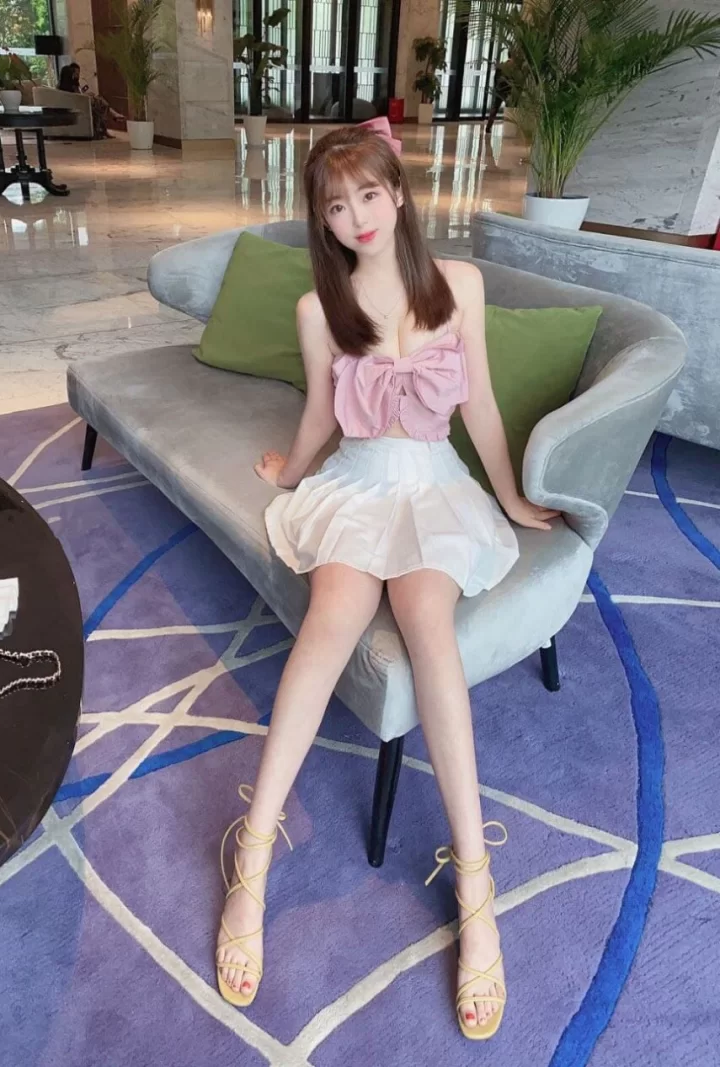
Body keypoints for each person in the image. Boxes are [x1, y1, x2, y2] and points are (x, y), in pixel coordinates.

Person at [214, 123, 560, 1041]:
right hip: (359, 485)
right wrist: (290, 471)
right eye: (336, 205)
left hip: (435, 488)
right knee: (332, 613)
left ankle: (477, 888)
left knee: (426, 622)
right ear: (321, 219)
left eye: (369, 194)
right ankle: (253, 854)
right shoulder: (318, 310)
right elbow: (320, 415)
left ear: (399, 193)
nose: (356, 216)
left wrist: (511, 496)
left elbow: (479, 406)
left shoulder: (461, 286)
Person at [57, 63, 124, 139]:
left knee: (99, 102)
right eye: (74, 73)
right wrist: (86, 95)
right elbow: (77, 98)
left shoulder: (62, 87)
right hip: (79, 106)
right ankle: (111, 119)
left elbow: (77, 97)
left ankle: (110, 121)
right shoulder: (69, 87)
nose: (76, 75)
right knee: (100, 104)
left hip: (79, 105)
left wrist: (85, 94)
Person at [485, 56, 515, 134]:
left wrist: (496, 87)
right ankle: (508, 130)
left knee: (495, 108)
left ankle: (488, 127)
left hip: (499, 90)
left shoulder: (501, 65)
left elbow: (495, 78)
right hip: (508, 91)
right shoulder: (513, 68)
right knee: (509, 109)